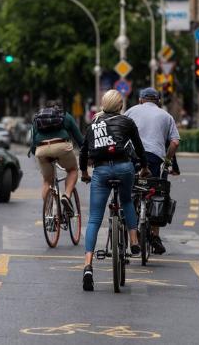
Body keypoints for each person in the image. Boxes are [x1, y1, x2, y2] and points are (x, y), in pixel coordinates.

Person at [79, 90, 150, 292]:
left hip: (101, 171)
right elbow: (139, 148)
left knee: (94, 219)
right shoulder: (127, 122)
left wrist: (84, 172)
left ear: (103, 104)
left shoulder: (93, 124)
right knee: (127, 201)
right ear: (120, 106)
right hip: (124, 168)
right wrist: (144, 167)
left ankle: (88, 266)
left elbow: (84, 151)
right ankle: (134, 241)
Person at [124, 87, 180, 255]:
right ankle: (155, 235)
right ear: (158, 101)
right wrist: (168, 160)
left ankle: (132, 235)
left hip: (133, 157)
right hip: (155, 159)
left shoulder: (131, 111)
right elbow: (175, 143)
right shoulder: (166, 116)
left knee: (131, 192)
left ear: (141, 100)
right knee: (157, 192)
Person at [29, 100, 85, 209]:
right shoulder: (65, 116)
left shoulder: (38, 118)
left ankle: (47, 214)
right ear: (60, 108)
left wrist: (35, 152)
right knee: (72, 170)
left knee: (47, 181)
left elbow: (32, 141)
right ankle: (67, 195)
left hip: (42, 149)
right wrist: (86, 151)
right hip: (61, 147)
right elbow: (79, 139)